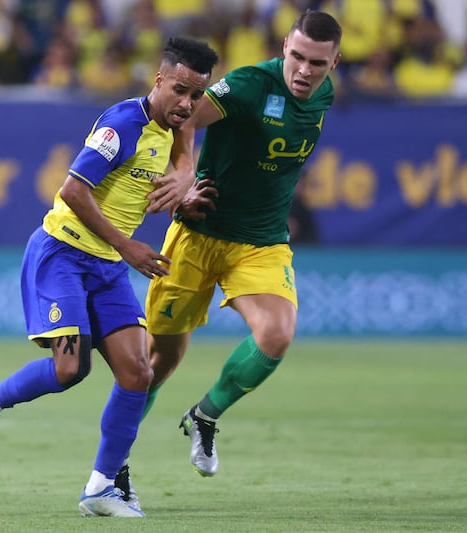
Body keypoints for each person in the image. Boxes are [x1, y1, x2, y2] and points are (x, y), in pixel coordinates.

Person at [0, 37, 219, 518]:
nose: (187, 104)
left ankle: (101, 488)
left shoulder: (176, 124)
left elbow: (185, 152)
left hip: (107, 265)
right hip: (63, 253)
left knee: (138, 371)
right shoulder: (123, 124)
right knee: (70, 370)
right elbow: (73, 190)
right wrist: (128, 245)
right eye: (180, 90)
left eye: (196, 96)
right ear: (159, 79)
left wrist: (184, 184)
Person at [116, 9, 342, 499]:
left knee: (276, 335)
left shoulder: (324, 95)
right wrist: (185, 176)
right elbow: (183, 116)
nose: (304, 71)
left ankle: (205, 415)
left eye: (317, 64)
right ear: (284, 46)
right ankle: (114, 466)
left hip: (260, 241)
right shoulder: (247, 86)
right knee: (158, 361)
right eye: (297, 57)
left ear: (334, 63)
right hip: (198, 235)